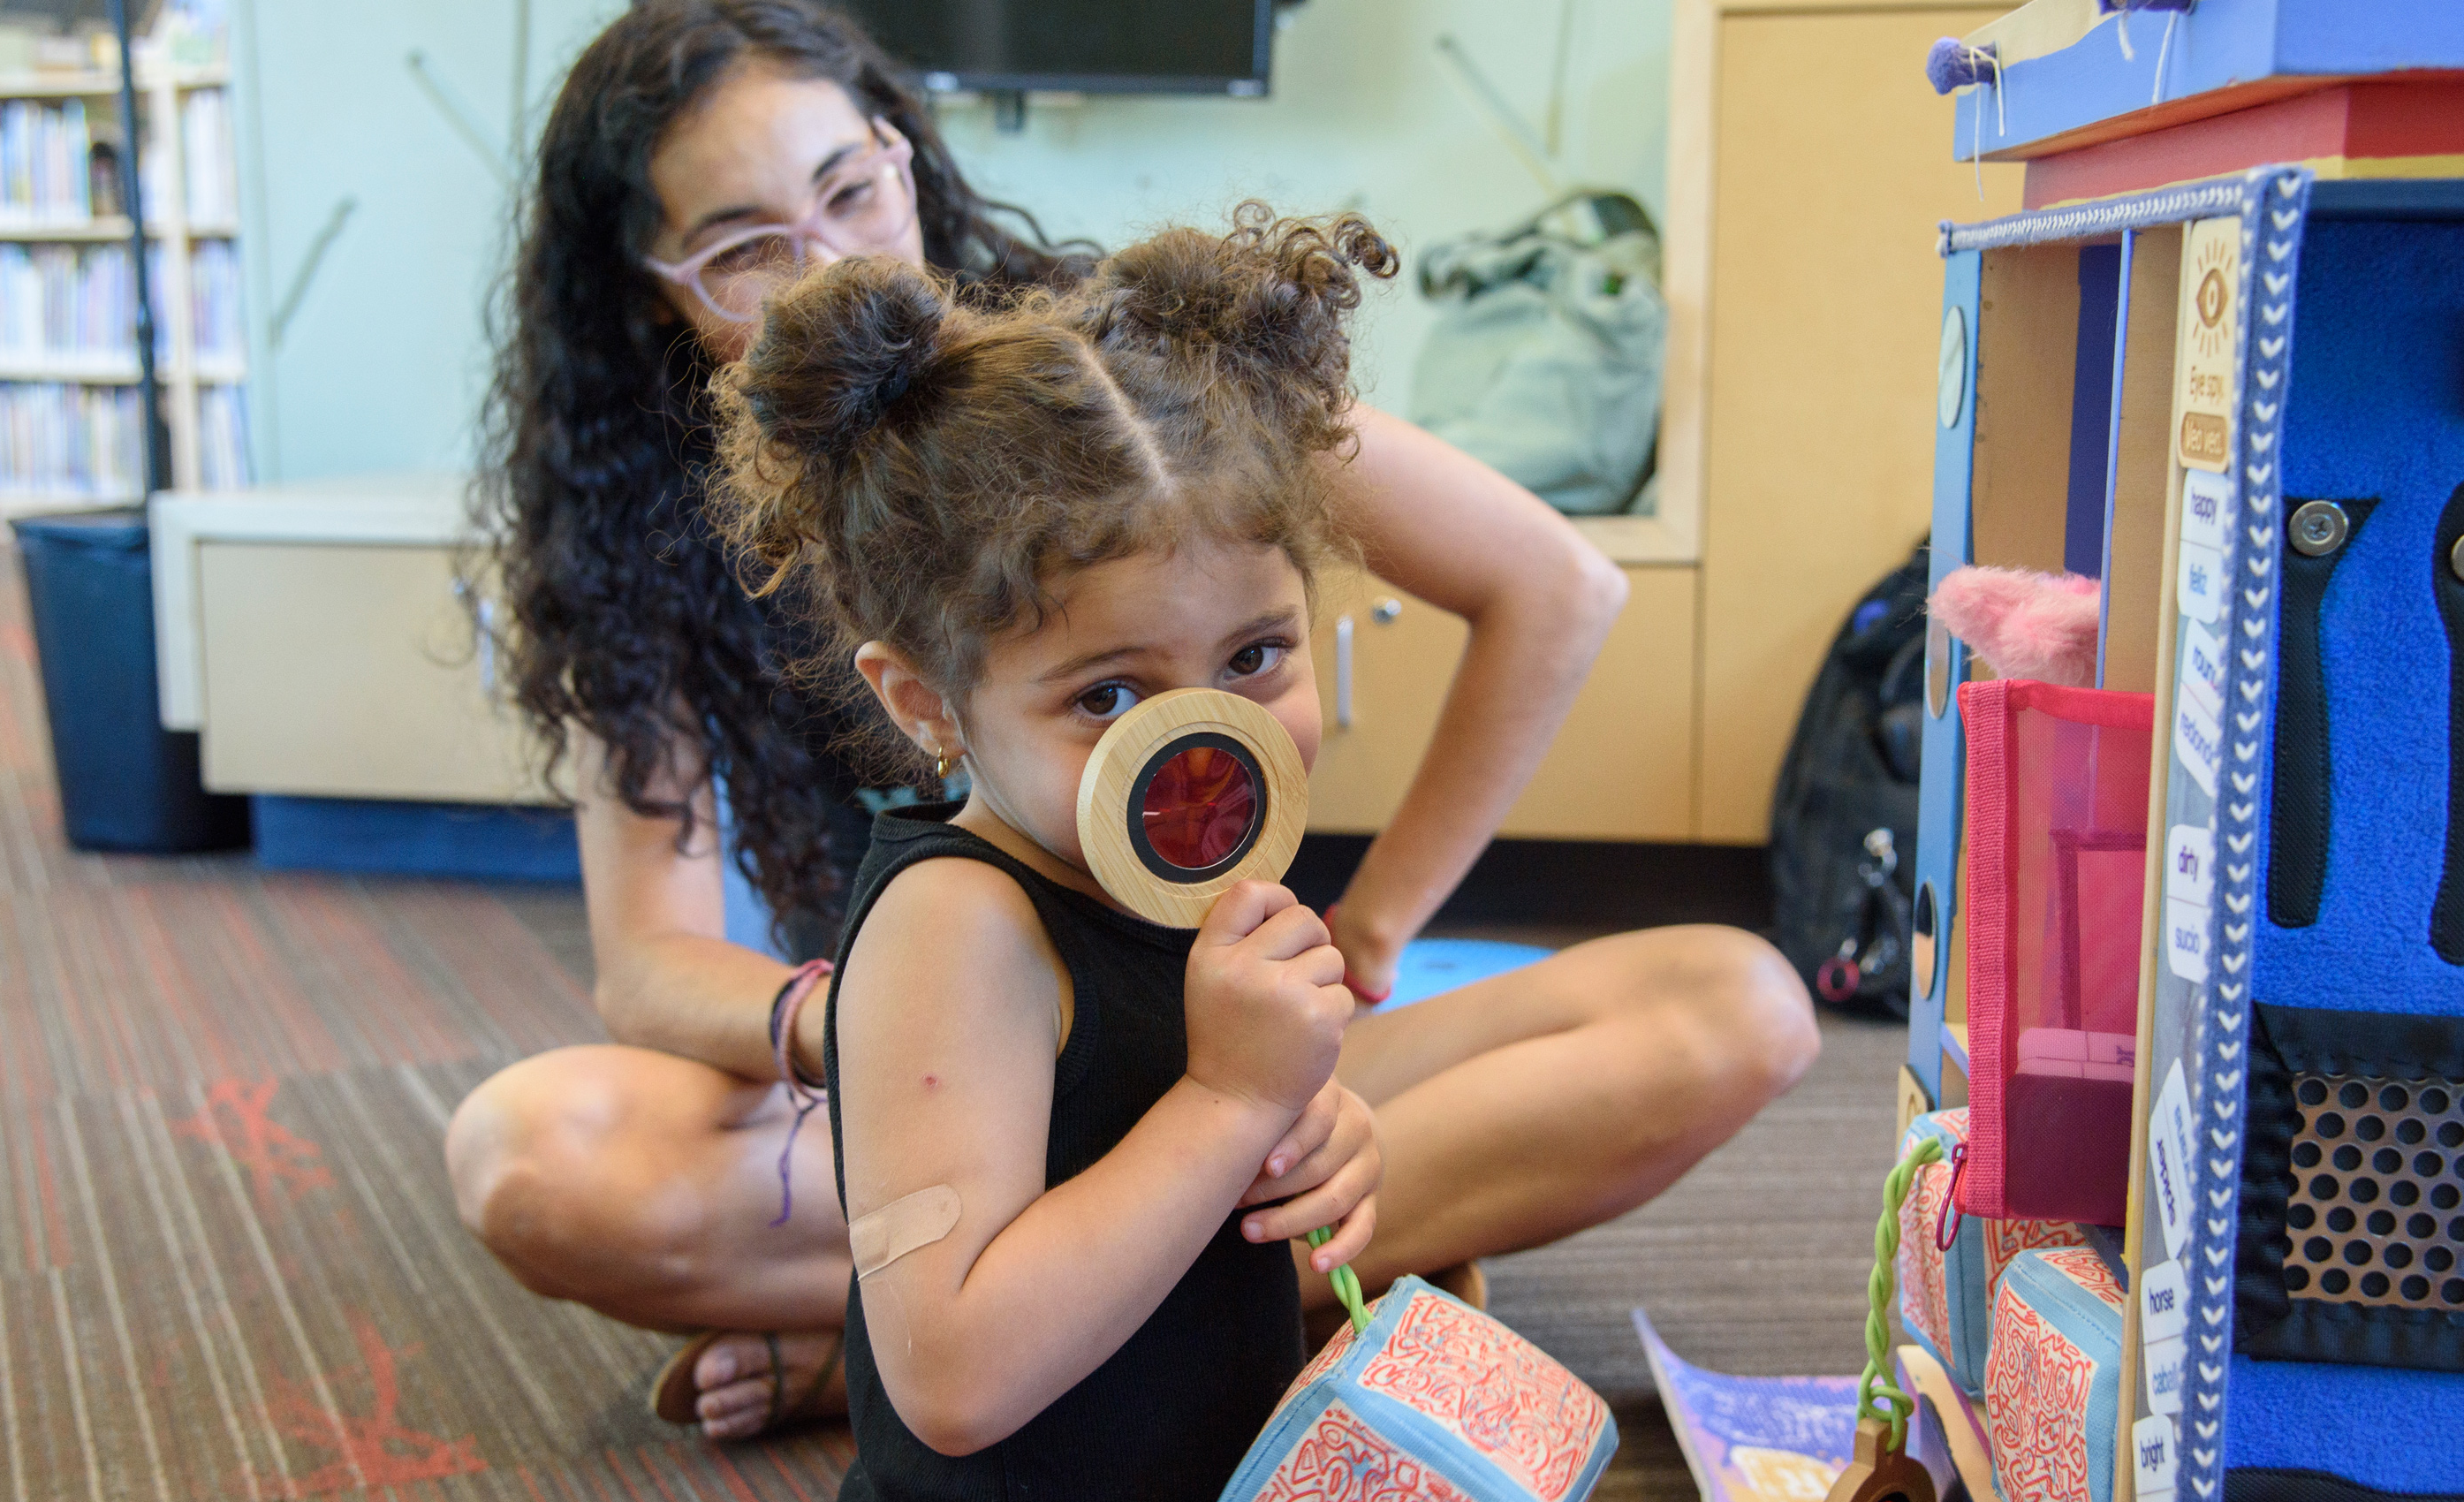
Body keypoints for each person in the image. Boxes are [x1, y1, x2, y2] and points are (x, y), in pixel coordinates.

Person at [446, 0, 1819, 1443]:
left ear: (905, 158)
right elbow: (648, 966)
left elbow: (1558, 585)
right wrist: (880, 1036)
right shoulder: (635, 542)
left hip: (1233, 1041)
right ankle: (1119, 1296)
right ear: (649, 290)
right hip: (935, 1084)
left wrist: (1366, 944)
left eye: (848, 190)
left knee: (1736, 1007)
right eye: (743, 246)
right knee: (537, 1154)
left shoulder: (1126, 390)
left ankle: (951, 1323)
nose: (826, 268)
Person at [711, 213, 1389, 1498]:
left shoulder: (1179, 863)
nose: (1207, 745)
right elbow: (953, 1377)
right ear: (925, 704)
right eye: (1108, 698)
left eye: (1256, 658)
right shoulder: (955, 930)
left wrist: (1308, 1136)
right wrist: (1230, 1103)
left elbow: (1144, 1174)